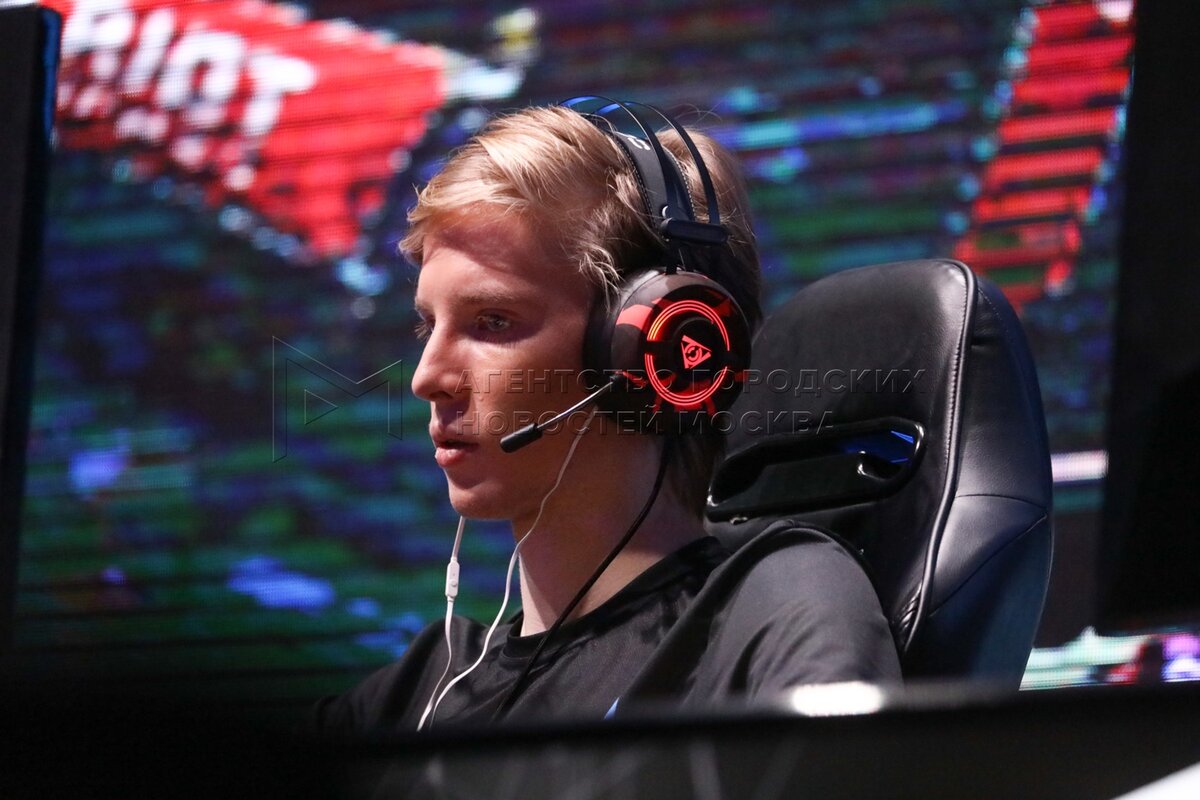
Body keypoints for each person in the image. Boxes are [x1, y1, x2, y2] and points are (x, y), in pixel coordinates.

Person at [312, 101, 900, 734]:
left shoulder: (773, 607)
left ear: (653, 346)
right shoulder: (415, 692)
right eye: (428, 325)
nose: (428, 378)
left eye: (493, 322)